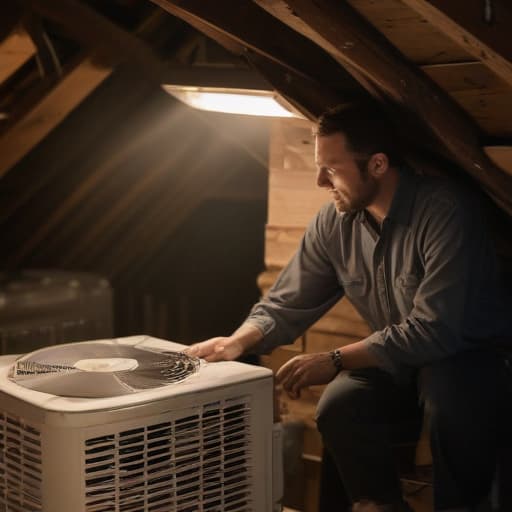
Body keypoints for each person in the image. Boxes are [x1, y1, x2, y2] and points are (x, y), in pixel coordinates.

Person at [186, 105, 510, 512]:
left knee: (451, 401)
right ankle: (378, 506)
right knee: (339, 405)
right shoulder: (334, 223)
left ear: (377, 164)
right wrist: (235, 343)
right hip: (399, 360)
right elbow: (288, 300)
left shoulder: (444, 212)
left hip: (470, 357)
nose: (320, 181)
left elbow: (435, 330)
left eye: (331, 169)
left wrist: (337, 358)